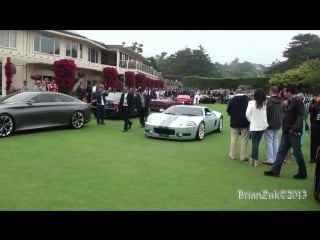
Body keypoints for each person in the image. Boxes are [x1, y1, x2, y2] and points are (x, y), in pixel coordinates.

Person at [264, 85, 308, 179]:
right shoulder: (289, 102)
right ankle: (275, 171)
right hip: (286, 131)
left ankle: (302, 173)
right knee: (281, 151)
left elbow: (300, 117)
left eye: (284, 91)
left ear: (289, 92)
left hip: (293, 132)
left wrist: (294, 129)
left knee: (297, 153)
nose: (283, 93)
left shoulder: (298, 102)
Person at [226, 86, 250, 161]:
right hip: (245, 122)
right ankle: (243, 156)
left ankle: (232, 155)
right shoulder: (248, 100)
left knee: (233, 139)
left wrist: (233, 115)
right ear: (244, 91)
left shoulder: (232, 100)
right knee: (244, 140)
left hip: (234, 122)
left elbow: (228, 111)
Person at [245, 88, 268, 167]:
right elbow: (265, 116)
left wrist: (252, 121)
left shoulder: (251, 103)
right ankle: (253, 159)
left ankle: (254, 159)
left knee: (255, 143)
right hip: (262, 126)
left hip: (254, 126)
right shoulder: (264, 104)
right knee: (256, 143)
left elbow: (247, 114)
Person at [263, 86, 284, 165]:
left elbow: (266, 114)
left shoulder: (269, 101)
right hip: (278, 123)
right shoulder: (281, 101)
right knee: (275, 141)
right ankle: (275, 158)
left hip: (270, 124)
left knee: (269, 141)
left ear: (271, 91)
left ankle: (270, 159)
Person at [309, 93, 320, 163]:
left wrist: (312, 124)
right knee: (315, 143)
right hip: (316, 126)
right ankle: (315, 157)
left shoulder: (315, 105)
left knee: (314, 143)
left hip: (315, 126)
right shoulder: (315, 105)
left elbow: (311, 117)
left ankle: (313, 158)